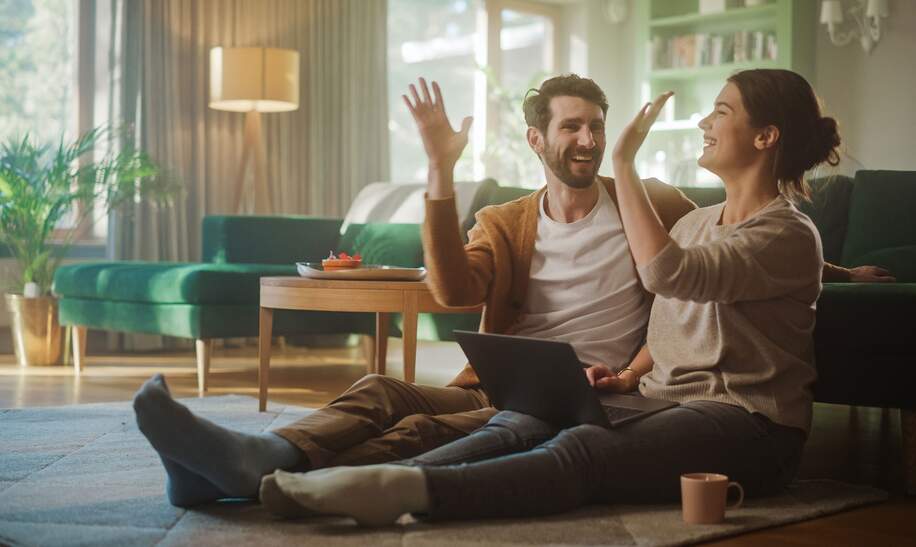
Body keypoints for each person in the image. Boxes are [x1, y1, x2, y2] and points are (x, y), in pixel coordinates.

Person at [132, 72, 888, 508]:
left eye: (597, 126)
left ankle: (326, 483)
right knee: (388, 393)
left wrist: (839, 270)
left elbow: (734, 260)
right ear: (538, 140)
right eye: (573, 129)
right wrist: (439, 170)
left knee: (484, 436)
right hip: (547, 387)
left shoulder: (655, 207)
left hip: (647, 403)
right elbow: (452, 287)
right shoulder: (512, 219)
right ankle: (257, 458)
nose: (589, 140)